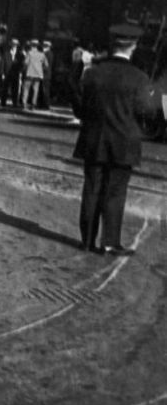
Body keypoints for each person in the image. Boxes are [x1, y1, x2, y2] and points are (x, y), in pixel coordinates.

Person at [73, 23, 165, 256]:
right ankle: (109, 242)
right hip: (124, 144)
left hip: (94, 142)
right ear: (132, 47)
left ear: (112, 45)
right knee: (115, 193)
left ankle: (87, 241)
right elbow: (147, 115)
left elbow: (80, 110)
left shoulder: (92, 73)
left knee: (91, 189)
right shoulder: (140, 78)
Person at [21, 39, 48, 109]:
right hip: (38, 75)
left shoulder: (29, 53)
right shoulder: (42, 54)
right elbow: (46, 65)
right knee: (35, 90)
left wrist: (23, 70)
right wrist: (40, 68)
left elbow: (25, 63)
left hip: (29, 73)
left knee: (26, 89)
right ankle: (33, 104)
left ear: (31, 45)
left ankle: (24, 103)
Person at [0, 37, 24, 107]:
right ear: (11, 45)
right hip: (7, 73)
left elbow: (22, 64)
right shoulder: (6, 53)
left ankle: (15, 103)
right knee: (5, 88)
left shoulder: (20, 55)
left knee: (15, 89)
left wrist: (21, 72)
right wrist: (2, 73)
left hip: (16, 74)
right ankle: (3, 102)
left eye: (15, 45)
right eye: (13, 44)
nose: (14, 46)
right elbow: (2, 63)